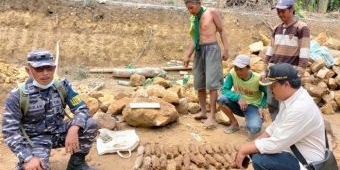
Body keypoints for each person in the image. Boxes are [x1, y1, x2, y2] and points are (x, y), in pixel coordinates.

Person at [2, 50, 98, 170]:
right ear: (28, 70)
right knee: (36, 167)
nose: (45, 73)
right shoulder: (18, 95)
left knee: (90, 124)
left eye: (49, 68)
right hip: (35, 140)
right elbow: (9, 132)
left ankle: (76, 164)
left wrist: (74, 128)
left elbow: (82, 108)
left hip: (59, 132)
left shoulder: (62, 86)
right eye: (39, 69)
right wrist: (27, 158)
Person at [235, 63, 325, 170]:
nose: (271, 90)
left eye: (273, 86)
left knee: (261, 161)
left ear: (286, 84)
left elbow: (276, 144)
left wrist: (244, 150)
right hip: (293, 151)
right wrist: (252, 145)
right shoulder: (290, 98)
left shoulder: (300, 108)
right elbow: (274, 127)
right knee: (255, 150)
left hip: (308, 162)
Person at [183, 0, 229, 128]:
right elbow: (195, 38)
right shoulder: (194, 18)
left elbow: (222, 30)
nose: (190, 11)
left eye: (191, 8)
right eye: (188, 9)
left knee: (212, 83)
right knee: (199, 82)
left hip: (212, 50)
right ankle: (203, 111)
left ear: (199, 3)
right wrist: (187, 55)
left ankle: (212, 116)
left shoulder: (211, 12)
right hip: (199, 51)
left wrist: (226, 49)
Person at [264, 0, 310, 121]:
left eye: (283, 11)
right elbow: (270, 50)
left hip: (288, 75)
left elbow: (304, 52)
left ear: (291, 9)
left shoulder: (301, 28)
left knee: (287, 105)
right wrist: (265, 68)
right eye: (278, 11)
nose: (280, 14)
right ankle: (277, 127)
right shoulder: (276, 29)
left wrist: (299, 74)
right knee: (272, 102)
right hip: (273, 72)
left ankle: (288, 132)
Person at [217, 55, 267, 137]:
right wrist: (238, 98)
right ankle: (234, 124)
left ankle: (253, 119)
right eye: (236, 68)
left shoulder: (257, 79)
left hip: (252, 106)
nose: (238, 71)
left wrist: (261, 106)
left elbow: (267, 94)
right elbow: (224, 90)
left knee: (254, 129)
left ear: (248, 68)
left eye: (241, 69)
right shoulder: (232, 73)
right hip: (237, 104)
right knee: (221, 99)